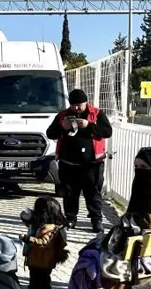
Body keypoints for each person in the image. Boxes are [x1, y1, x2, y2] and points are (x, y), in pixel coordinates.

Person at [46, 89, 112, 232]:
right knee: (69, 194)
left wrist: (89, 125)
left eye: (79, 105)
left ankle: (96, 220)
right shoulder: (63, 115)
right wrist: (62, 127)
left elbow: (107, 132)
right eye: (73, 105)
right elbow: (50, 133)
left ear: (86, 102)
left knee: (93, 194)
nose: (76, 108)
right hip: (68, 163)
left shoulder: (96, 113)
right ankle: (70, 219)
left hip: (92, 163)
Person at [20, 196, 69, 289]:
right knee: (45, 282)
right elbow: (26, 219)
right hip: (45, 261)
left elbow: (43, 242)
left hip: (40, 261)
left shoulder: (49, 228)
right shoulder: (47, 225)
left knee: (36, 283)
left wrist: (27, 239)